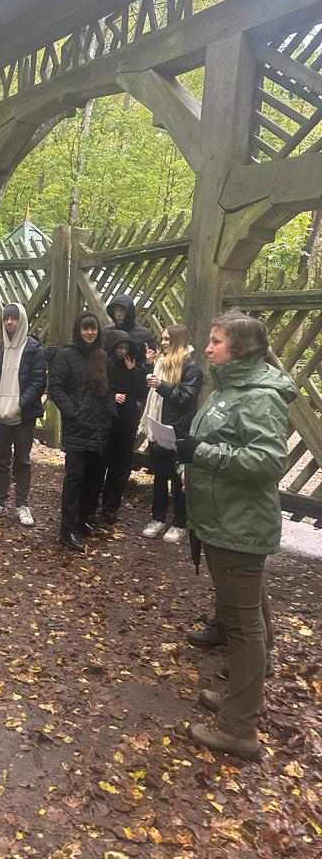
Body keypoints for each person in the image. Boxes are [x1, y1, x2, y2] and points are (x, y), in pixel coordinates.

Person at [177, 310, 296, 760]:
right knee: (249, 615)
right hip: (223, 519)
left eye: (216, 341)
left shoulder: (259, 396)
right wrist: (192, 459)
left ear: (241, 349)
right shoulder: (229, 387)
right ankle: (245, 698)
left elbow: (268, 461)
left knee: (243, 626)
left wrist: (202, 453)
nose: (207, 348)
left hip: (238, 525)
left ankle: (239, 729)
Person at [49, 313, 114, 552]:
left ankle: (84, 520)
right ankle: (68, 529)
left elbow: (108, 387)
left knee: (94, 478)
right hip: (77, 427)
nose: (89, 333)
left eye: (93, 328)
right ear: (78, 330)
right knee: (75, 478)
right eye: (85, 328)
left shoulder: (101, 356)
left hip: (98, 427)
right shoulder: (65, 355)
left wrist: (109, 413)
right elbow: (55, 388)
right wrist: (72, 411)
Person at [0, 303, 46, 526]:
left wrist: (20, 405)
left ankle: (22, 504)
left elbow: (38, 381)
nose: (9, 322)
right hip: (0, 414)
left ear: (22, 320)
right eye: (6, 318)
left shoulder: (34, 349)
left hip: (23, 415)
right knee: (0, 458)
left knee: (22, 460)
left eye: (14, 318)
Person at [140, 324, 203, 542]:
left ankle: (179, 523)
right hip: (158, 426)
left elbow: (185, 397)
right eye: (163, 338)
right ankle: (157, 519)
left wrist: (162, 386)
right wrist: (147, 366)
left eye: (168, 339)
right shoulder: (160, 363)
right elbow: (149, 393)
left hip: (179, 429)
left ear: (179, 341)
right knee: (159, 475)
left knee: (178, 479)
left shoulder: (192, 368)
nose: (163, 343)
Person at [99, 330, 148, 525]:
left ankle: (111, 507)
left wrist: (133, 370)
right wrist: (112, 396)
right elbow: (97, 388)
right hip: (108, 422)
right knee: (102, 463)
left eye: (126, 348)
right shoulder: (105, 365)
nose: (122, 352)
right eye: (119, 348)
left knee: (120, 467)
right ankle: (95, 502)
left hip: (127, 422)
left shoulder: (132, 366)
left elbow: (141, 391)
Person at [104, 294, 154, 363]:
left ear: (129, 312)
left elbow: (150, 360)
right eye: (116, 310)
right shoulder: (107, 331)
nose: (118, 314)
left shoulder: (144, 335)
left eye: (122, 311)